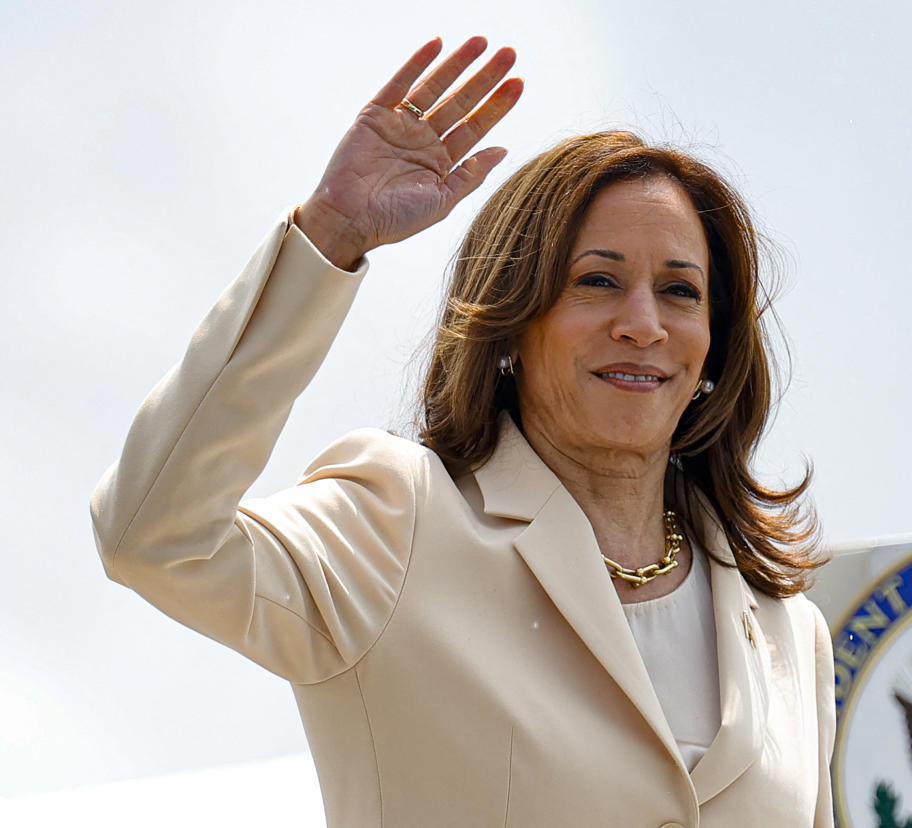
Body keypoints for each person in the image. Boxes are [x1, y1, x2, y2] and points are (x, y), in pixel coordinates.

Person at [91, 35, 836, 827]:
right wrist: (327, 238)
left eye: (681, 292)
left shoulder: (791, 630)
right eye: (598, 281)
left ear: (715, 345)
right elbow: (153, 537)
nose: (642, 324)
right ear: (512, 323)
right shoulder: (399, 524)